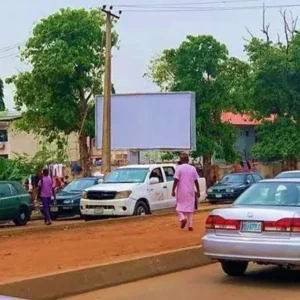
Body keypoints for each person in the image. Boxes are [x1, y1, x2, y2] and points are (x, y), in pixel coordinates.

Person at [172, 153, 200, 231]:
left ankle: (182, 218)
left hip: (181, 191)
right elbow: (196, 181)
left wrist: (173, 190)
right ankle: (190, 225)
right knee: (190, 209)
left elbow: (176, 180)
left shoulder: (179, 168)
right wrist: (198, 191)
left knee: (179, 208)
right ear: (188, 160)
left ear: (181, 160)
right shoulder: (193, 168)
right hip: (191, 191)